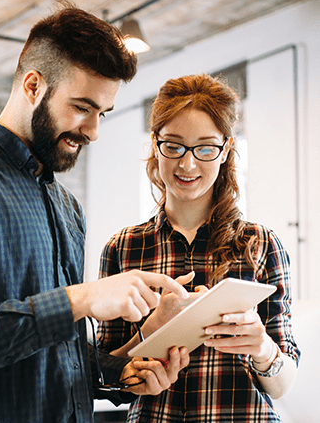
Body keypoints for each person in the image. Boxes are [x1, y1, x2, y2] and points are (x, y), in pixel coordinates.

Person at [0, 4, 194, 423]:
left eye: (101, 114)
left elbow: (56, 358)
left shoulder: (66, 206)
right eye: (81, 107)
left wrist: (125, 369)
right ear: (33, 86)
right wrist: (83, 298)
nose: (92, 131)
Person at [96, 73, 301, 422]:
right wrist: (151, 333)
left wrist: (262, 348)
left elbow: (283, 384)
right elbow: (105, 374)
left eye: (205, 148)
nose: (187, 164)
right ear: (155, 143)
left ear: (226, 149)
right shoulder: (124, 247)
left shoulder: (261, 244)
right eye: (173, 146)